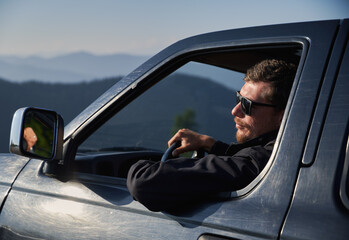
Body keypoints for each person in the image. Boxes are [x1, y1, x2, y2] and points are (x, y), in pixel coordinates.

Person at [127, 59, 296, 212]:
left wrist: (134, 167)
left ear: (282, 115)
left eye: (247, 104)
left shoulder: (261, 162)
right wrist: (211, 145)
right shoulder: (286, 150)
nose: (235, 110)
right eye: (238, 98)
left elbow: (144, 183)